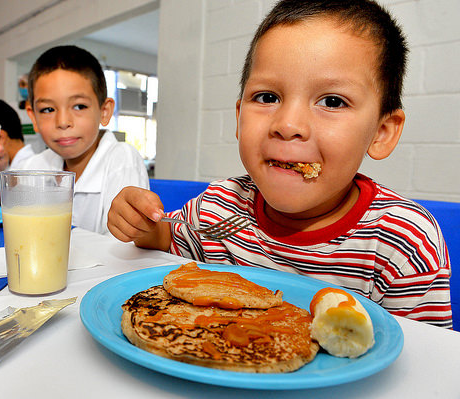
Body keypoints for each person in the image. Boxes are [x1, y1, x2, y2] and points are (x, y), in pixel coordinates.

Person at [106, 0, 452, 328]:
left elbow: (422, 361)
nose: (287, 124)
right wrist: (144, 226)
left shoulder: (402, 242)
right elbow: (170, 241)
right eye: (267, 97)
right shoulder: (219, 207)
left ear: (381, 132)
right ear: (240, 117)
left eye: (332, 101)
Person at [0, 45, 149, 234]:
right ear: (33, 118)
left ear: (104, 111)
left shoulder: (122, 159)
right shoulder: (39, 163)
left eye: (79, 106)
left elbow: (127, 244)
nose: (63, 122)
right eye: (48, 109)